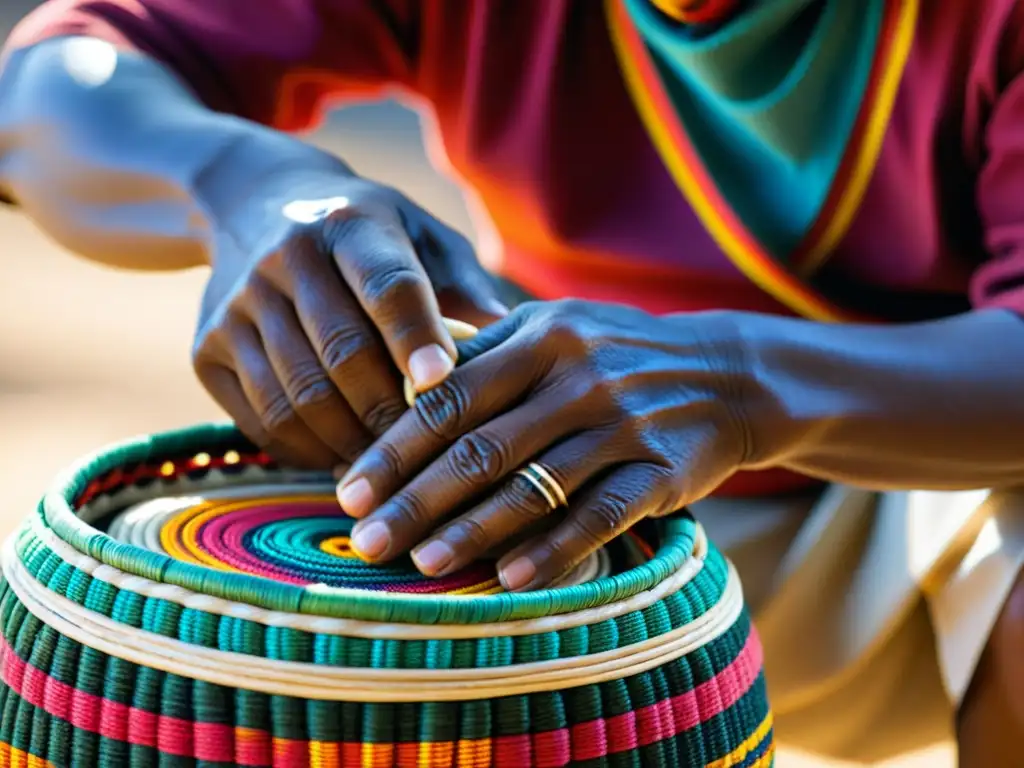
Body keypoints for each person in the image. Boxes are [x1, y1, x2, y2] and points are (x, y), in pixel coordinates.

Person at [2, 0, 1024, 762]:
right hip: (555, 488)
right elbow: (57, 83)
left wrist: (741, 387)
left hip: (924, 490)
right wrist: (240, 187)